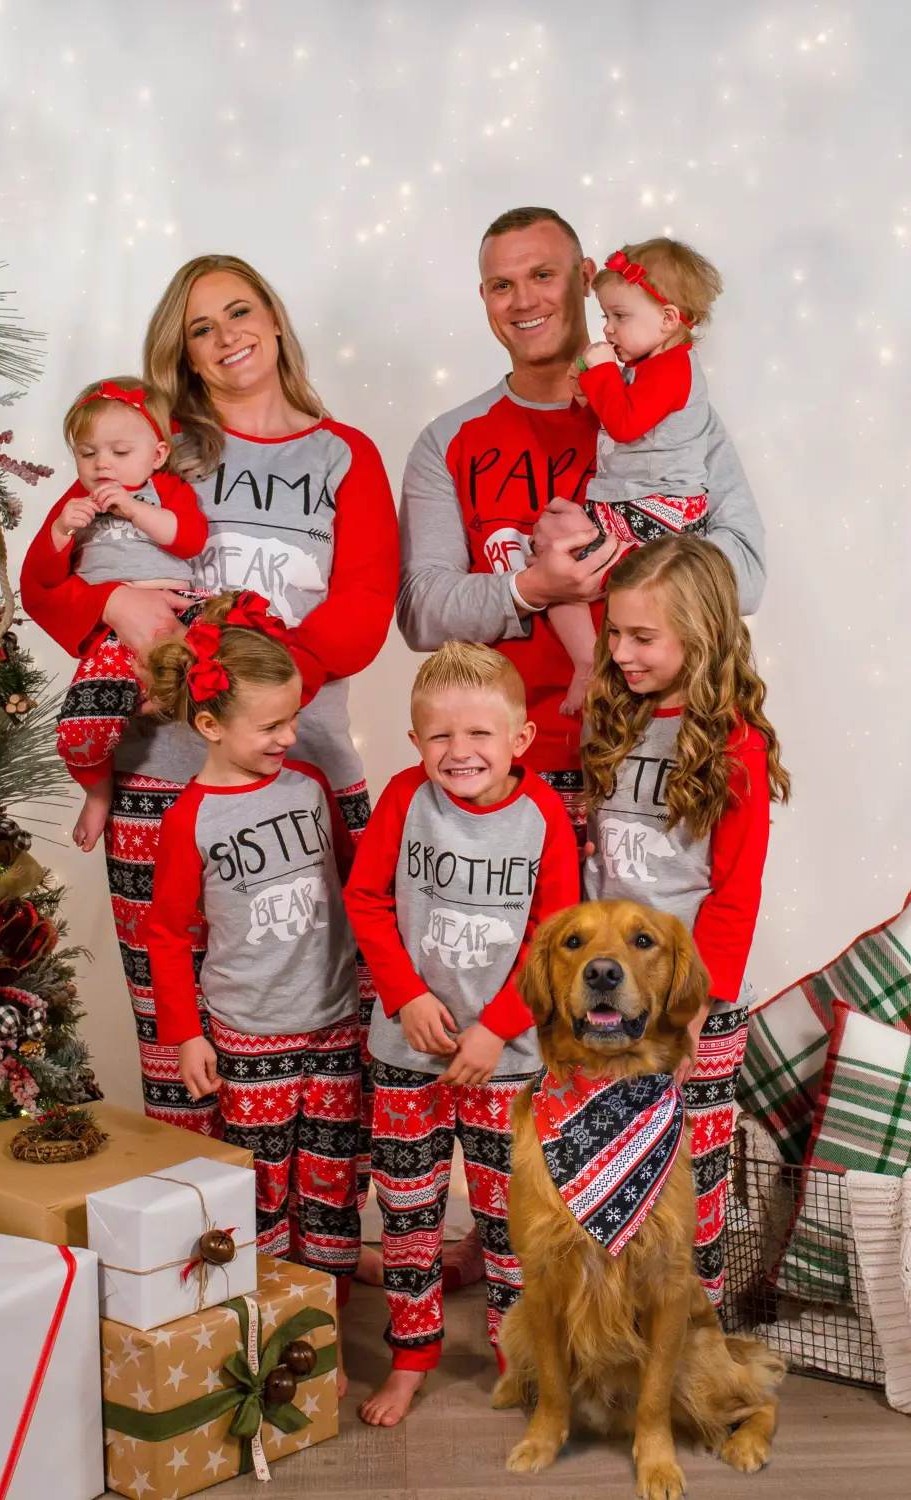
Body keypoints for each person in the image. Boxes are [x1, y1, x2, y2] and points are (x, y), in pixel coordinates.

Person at [397, 203, 765, 1283]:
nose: (526, 300)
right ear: (483, 301)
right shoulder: (449, 441)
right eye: (501, 282)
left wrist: (628, 574)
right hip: (511, 765)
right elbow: (426, 611)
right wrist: (532, 589)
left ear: (590, 293)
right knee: (516, 1010)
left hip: (645, 752)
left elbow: (744, 566)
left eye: (545, 276)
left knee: (627, 1010)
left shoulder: (665, 414)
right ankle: (524, 1240)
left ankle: (637, 1244)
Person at [21, 255, 398, 1186]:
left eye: (239, 311)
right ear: (180, 353)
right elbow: (60, 576)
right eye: (200, 326)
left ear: (273, 316)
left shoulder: (343, 455)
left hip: (302, 772)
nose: (226, 335)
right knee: (177, 1026)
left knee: (328, 1013)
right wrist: (113, 613)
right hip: (161, 781)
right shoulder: (155, 445)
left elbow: (360, 611)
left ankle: (317, 1250)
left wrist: (244, 685)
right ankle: (207, 1252)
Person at [344, 642, 580, 1426]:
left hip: (505, 1065)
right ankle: (412, 1357)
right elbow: (367, 899)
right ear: (415, 742)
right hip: (407, 1056)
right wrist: (405, 995)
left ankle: (523, 1355)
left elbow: (559, 936)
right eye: (440, 736)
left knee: (512, 1221)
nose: (459, 751)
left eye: (480, 734)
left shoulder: (543, 815)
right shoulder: (406, 797)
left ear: (519, 739)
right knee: (407, 1215)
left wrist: (498, 1028)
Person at [144, 590, 360, 1392]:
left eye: (292, 720)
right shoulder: (190, 819)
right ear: (210, 726)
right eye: (270, 726)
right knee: (265, 1190)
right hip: (249, 1035)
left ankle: (328, 1325)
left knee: (333, 1183)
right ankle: (275, 1328)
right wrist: (186, 1033)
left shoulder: (307, 787)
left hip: (334, 1021)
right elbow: (166, 934)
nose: (288, 737)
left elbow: (348, 884)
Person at [581, 536, 791, 1305]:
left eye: (644, 638)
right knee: (608, 1160)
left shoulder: (734, 742)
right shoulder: (615, 717)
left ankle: (689, 1325)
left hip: (687, 1002)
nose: (623, 652)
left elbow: (735, 893)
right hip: (605, 996)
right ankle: (615, 1319)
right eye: (614, 633)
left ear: (698, 637)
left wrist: (694, 1005)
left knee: (688, 1172)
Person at [538, 237, 722, 716]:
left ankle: (601, 665)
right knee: (553, 539)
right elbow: (608, 428)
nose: (607, 329)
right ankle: (588, 661)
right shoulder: (644, 367)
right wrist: (586, 394)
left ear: (667, 320)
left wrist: (600, 373)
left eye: (620, 317)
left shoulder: (674, 368)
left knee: (559, 544)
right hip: (628, 503)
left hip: (660, 515)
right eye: (605, 316)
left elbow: (623, 423)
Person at [42, 376, 210, 853]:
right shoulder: (76, 504)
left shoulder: (165, 490)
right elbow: (43, 577)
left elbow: (189, 538)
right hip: (113, 633)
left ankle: (181, 696)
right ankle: (98, 792)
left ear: (156, 455)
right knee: (79, 730)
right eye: (88, 453)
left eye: (119, 452)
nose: (102, 465)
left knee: (238, 635)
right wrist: (59, 530)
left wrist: (134, 509)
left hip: (181, 609)